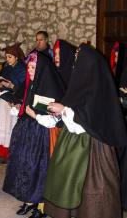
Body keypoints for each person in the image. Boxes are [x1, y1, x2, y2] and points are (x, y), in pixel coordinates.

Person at [41, 44, 127, 218]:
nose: (75, 65)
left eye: (78, 62)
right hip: (74, 144)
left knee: (91, 191)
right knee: (69, 184)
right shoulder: (83, 84)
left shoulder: (97, 90)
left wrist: (64, 109)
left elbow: (86, 123)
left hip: (94, 148)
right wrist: (62, 110)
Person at [2, 51, 65, 218]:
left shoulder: (50, 84)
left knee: (39, 168)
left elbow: (54, 119)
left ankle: (41, 205)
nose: (29, 71)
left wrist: (34, 115)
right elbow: (26, 103)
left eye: (33, 67)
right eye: (29, 67)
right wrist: (17, 108)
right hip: (27, 130)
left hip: (42, 133)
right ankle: (29, 200)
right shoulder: (30, 83)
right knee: (24, 165)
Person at [0, 43, 26, 159]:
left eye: (10, 57)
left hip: (16, 101)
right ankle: (1, 151)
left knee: (12, 124)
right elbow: (2, 81)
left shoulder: (23, 69)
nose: (7, 59)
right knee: (3, 123)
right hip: (5, 99)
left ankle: (12, 152)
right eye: (6, 57)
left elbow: (22, 87)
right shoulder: (6, 68)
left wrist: (12, 86)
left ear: (16, 57)